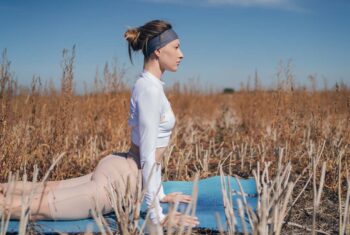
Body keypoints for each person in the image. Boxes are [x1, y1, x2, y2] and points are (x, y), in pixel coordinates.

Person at [0, 19, 199, 227]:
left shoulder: (150, 85)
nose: (181, 54)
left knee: (42, 189)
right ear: (158, 50)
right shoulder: (150, 90)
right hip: (121, 182)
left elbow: (153, 151)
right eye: (176, 47)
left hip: (121, 166)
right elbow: (148, 156)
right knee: (33, 208)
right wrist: (158, 217)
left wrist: (160, 194)